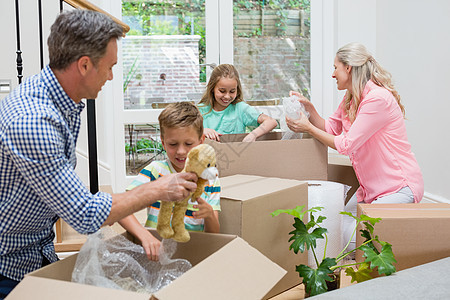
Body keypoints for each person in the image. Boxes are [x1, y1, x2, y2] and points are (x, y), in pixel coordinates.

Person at [0, 10, 197, 299]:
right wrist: (158, 188)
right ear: (84, 65)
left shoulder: (60, 102)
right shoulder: (34, 123)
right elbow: (85, 215)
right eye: (109, 67)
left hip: (34, 249)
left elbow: (74, 197)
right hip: (8, 262)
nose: (112, 76)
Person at [286, 43, 424, 250]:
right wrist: (310, 109)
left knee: (348, 240)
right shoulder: (351, 97)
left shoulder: (377, 99)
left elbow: (346, 145)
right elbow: (332, 128)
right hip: (371, 191)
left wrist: (308, 128)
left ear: (348, 68)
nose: (333, 74)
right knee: (333, 227)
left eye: (335, 68)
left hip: (398, 188)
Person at [119, 102, 221, 261]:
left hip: (193, 256)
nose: (181, 151)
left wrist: (209, 215)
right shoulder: (154, 172)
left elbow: (214, 234)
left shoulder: (210, 180)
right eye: (173, 144)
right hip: (157, 255)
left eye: (189, 144)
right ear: (163, 142)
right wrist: (145, 236)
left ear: (201, 141)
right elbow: (121, 209)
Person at [198, 64, 277, 142]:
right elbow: (186, 132)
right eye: (222, 91)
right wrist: (201, 131)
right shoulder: (200, 110)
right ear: (212, 88)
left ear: (237, 89)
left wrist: (253, 135)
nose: (227, 96)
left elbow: (271, 122)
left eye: (232, 91)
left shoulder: (240, 108)